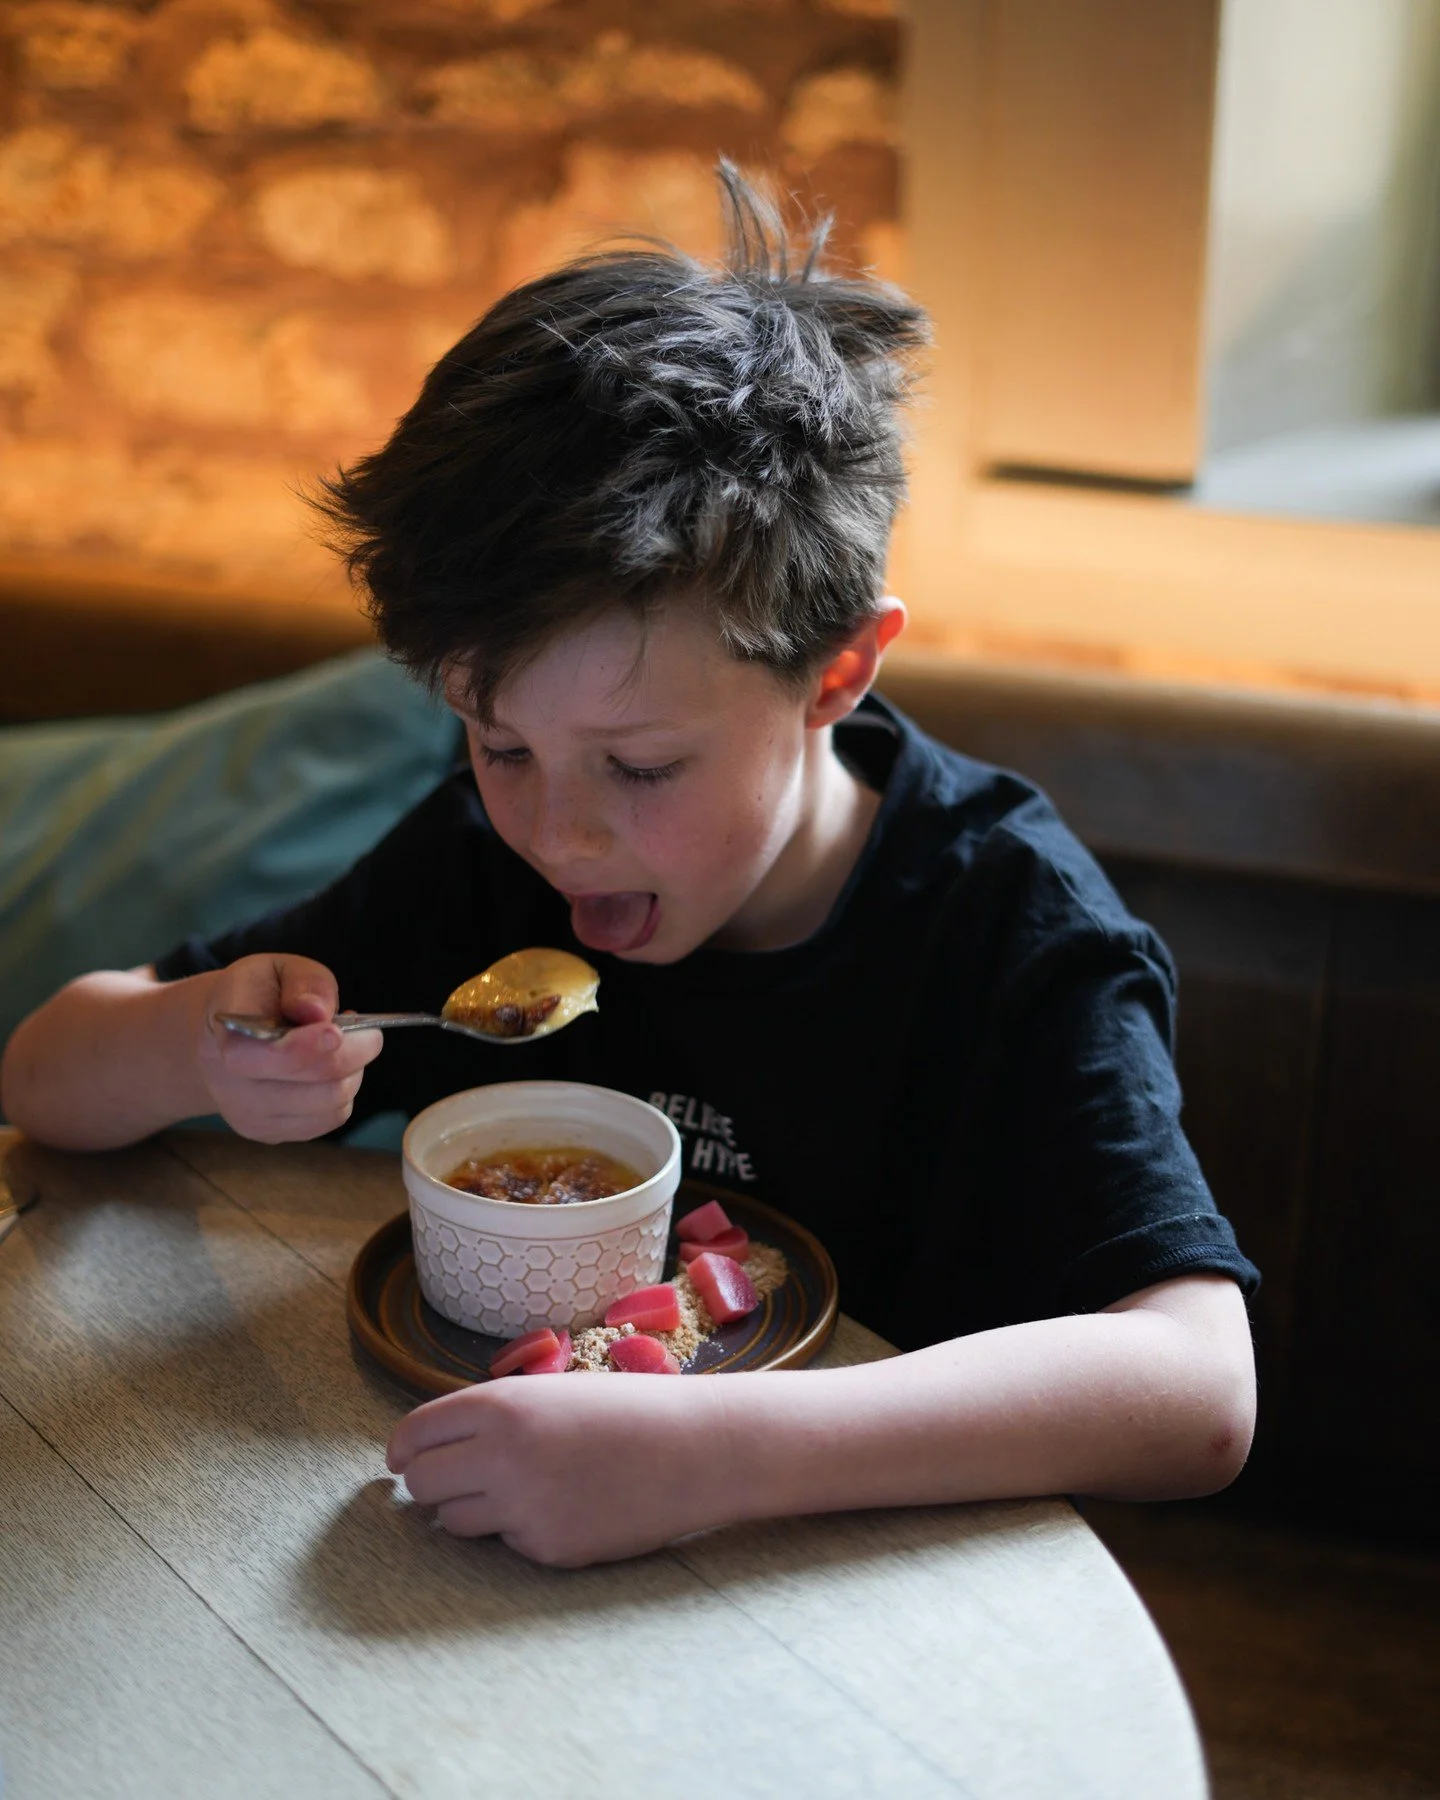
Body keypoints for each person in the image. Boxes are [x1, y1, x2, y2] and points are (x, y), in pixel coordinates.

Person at [0, 168, 1259, 1567]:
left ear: (835, 670)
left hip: (878, 1576)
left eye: (642, 767)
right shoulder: (479, 869)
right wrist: (204, 1045)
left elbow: (1198, 1388)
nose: (557, 835)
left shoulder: (1007, 924)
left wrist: (706, 1451)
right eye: (499, 743)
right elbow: (42, 1077)